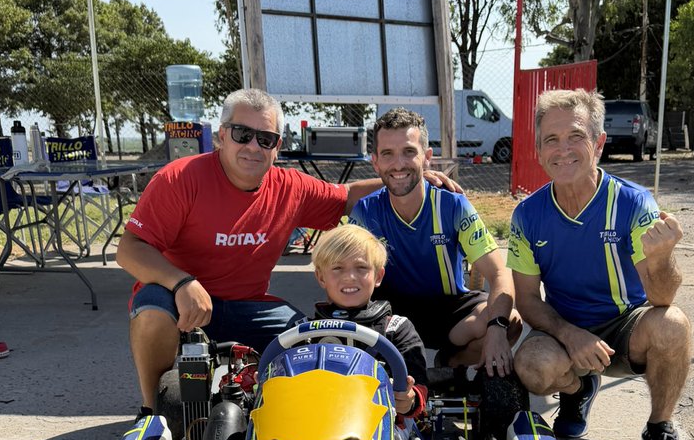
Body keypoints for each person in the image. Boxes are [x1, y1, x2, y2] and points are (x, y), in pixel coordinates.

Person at [116, 89, 460, 414]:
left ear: (277, 147)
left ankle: (289, 417)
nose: (253, 146)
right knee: (151, 311)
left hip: (248, 306)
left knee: (311, 337)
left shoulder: (289, 187)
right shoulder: (180, 178)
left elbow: (348, 194)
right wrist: (181, 283)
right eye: (241, 134)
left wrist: (413, 176)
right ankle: (153, 413)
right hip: (182, 301)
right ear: (222, 135)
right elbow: (129, 249)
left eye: (265, 139)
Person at [508, 88, 692, 440]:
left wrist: (661, 258)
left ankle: (660, 430)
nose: (563, 150)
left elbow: (661, 297)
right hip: (564, 327)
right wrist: (570, 335)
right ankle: (577, 391)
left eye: (576, 136)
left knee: (673, 324)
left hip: (626, 327)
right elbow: (526, 299)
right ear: (539, 150)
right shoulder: (527, 214)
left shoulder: (633, 202)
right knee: (530, 365)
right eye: (551, 140)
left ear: (599, 143)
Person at [347, 108, 520, 379]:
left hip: (447, 311)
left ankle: (451, 362)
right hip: (389, 314)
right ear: (375, 162)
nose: (399, 164)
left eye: (408, 152)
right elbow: (345, 275)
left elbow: (499, 273)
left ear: (427, 158)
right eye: (388, 154)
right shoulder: (365, 211)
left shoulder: (452, 205)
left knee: (508, 321)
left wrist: (496, 329)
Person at [311, 223, 428, 425]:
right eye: (337, 268)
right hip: (315, 424)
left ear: (378, 276)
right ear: (321, 277)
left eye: (361, 268)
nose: (349, 277)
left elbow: (419, 385)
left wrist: (409, 399)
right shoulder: (303, 331)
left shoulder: (396, 328)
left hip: (380, 426)